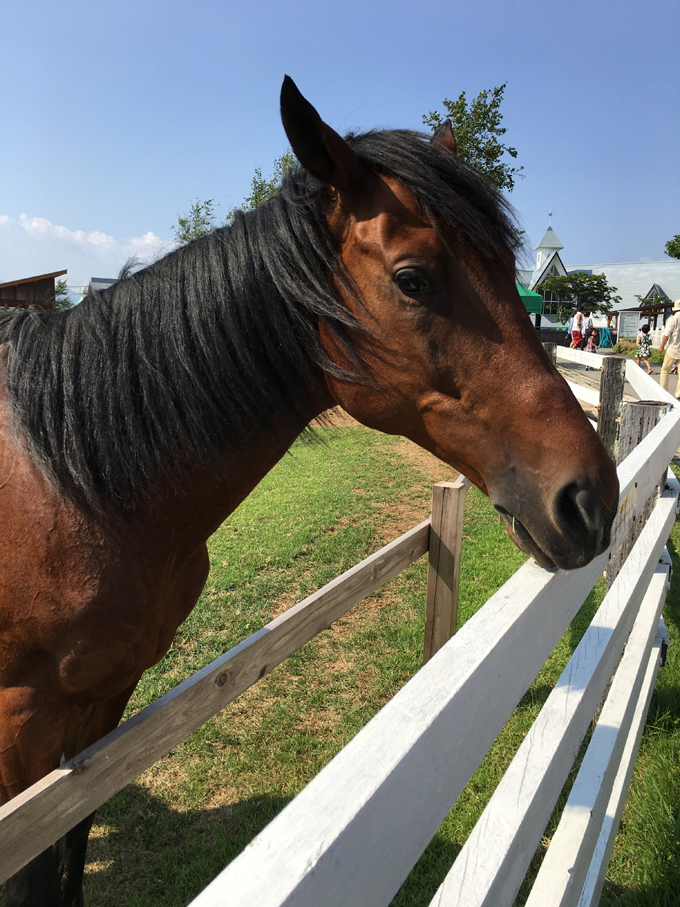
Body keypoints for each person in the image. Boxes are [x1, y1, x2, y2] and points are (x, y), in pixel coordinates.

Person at [658, 300, 680, 397]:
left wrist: (662, 346)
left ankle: (663, 392)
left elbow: (666, 335)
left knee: (665, 370)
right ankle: (678, 394)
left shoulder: (673, 319)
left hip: (673, 349)